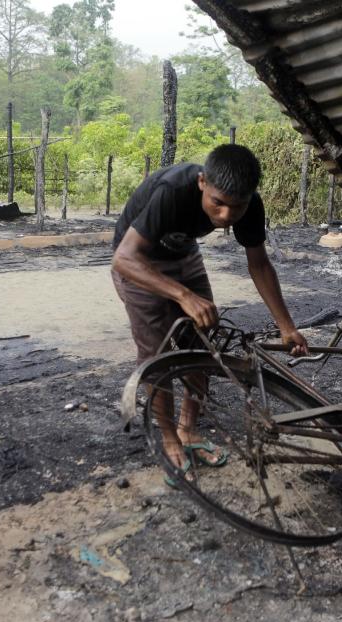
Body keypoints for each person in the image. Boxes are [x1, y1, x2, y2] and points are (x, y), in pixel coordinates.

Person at [111, 144, 309, 483]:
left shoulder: (248, 206)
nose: (225, 217)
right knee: (158, 358)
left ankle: (189, 431)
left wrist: (287, 326)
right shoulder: (172, 191)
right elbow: (123, 259)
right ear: (202, 182)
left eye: (237, 206)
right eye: (217, 203)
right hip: (139, 264)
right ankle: (169, 439)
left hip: (184, 257)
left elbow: (259, 264)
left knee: (205, 346)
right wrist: (183, 295)